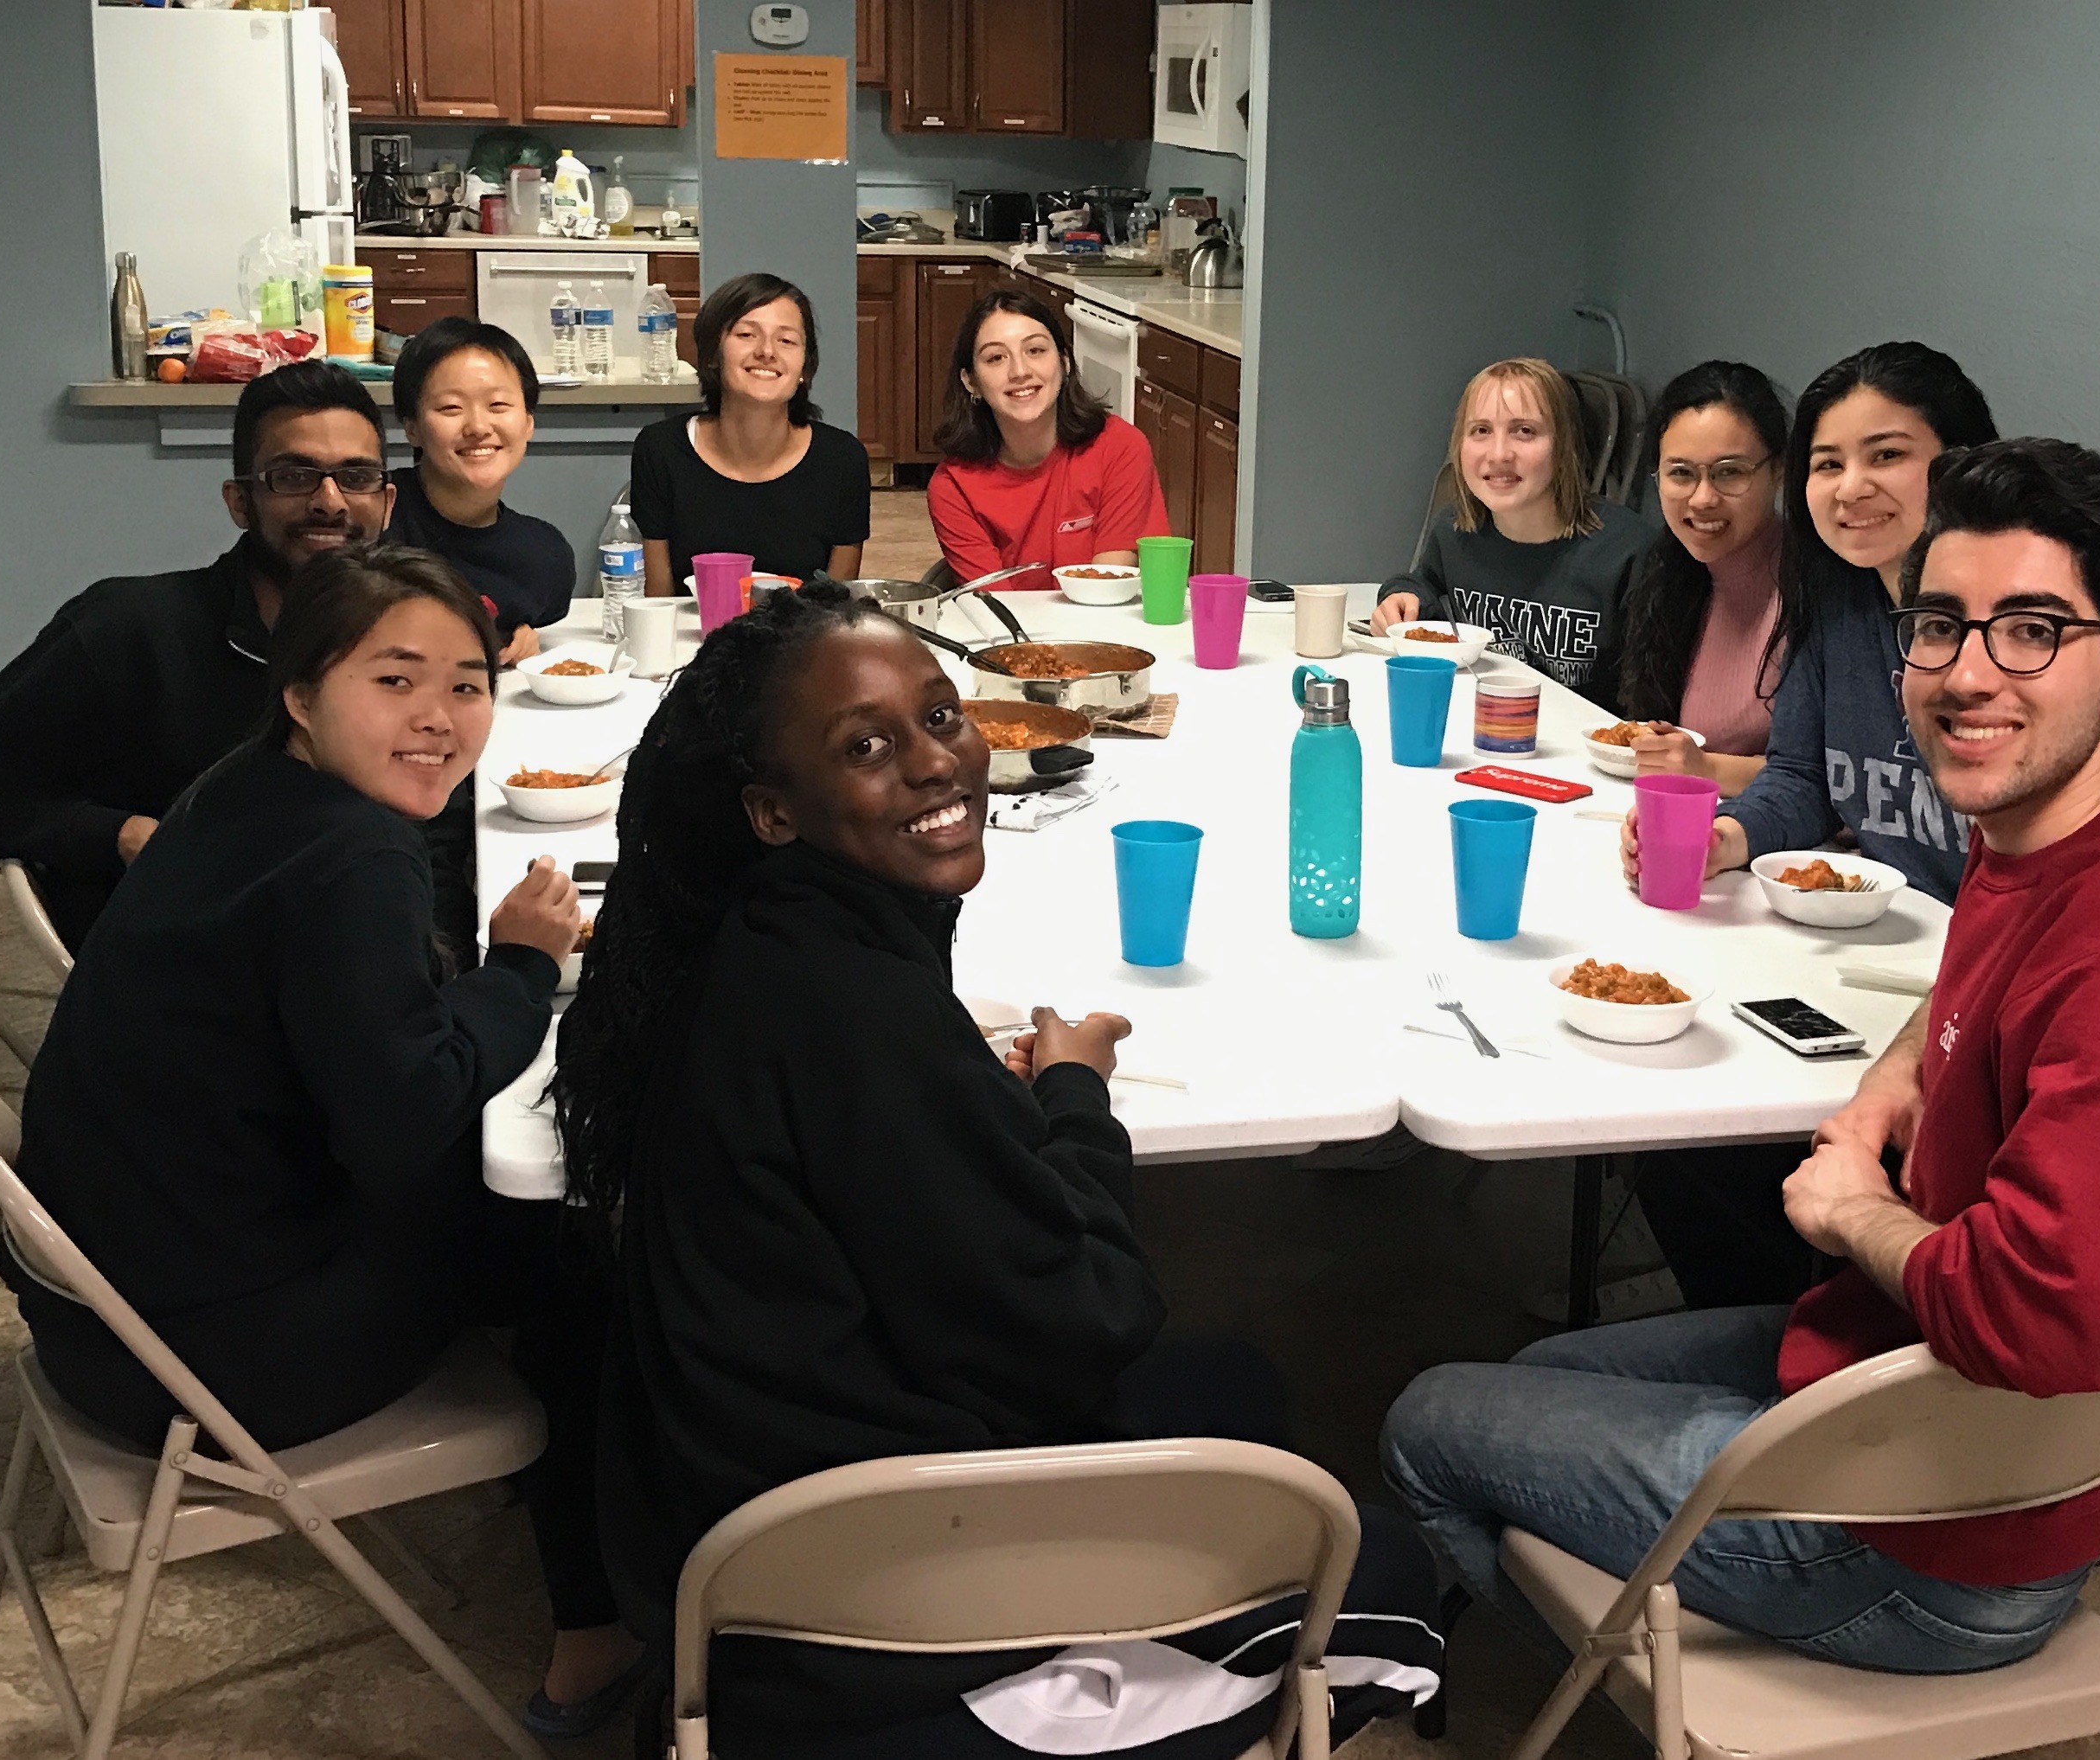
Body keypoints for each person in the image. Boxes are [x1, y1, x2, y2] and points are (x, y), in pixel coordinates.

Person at [1386, 437, 2100, 1679]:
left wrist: (1853, 1214)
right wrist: (1892, 1079)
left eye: (2029, 631)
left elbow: (2047, 1321)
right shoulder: (2091, 824)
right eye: (1941, 623)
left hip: (1938, 1540)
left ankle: (1696, 1671)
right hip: (1915, 1385)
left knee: (1428, 1420)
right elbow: (1981, 966)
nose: (1966, 672)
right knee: (1539, 1371)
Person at [552, 584, 1437, 1757]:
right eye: (866, 745)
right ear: (772, 808)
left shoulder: (763, 948)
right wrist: (1073, 1093)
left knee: (1239, 1388)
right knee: (1389, 1573)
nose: (935, 762)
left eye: (938, 714)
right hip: (851, 1635)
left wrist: (974, 1087)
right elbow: (1087, 1311)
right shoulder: (858, 1015)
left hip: (749, 1516)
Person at [3, 545, 643, 1736]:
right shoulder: (354, 856)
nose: (440, 717)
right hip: (205, 1366)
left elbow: (358, 1045)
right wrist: (521, 965)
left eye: (465, 682)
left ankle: (555, 1525)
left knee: (508, 1202)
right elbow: (405, 1110)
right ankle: (593, 1643)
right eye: (394, 679)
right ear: (302, 690)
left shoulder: (248, 786)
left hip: (93, 1311)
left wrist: (462, 988)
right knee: (590, 1255)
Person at [1625, 340, 2100, 902]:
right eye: (1826, 464)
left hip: (2029, 955)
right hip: (1893, 934)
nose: (1850, 488)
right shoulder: (1835, 603)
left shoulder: (2076, 630)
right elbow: (1802, 775)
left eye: (1886, 454)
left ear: (1961, 462)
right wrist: (1725, 837)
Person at [0, 362, 400, 949]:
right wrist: (120, 833)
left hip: (352, 922)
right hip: (189, 969)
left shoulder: (394, 640)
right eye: (292, 475)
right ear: (240, 501)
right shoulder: (131, 630)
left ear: (387, 502)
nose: (329, 500)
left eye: (356, 476)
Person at [1372, 357, 1650, 707]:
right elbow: (1425, 584)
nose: (1499, 454)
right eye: (1481, 431)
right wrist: (1402, 596)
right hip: (1484, 729)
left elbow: (1652, 699)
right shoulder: (1455, 530)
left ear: (1564, 446)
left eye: (1525, 431)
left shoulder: (1629, 551)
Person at [630, 272, 868, 595]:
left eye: (786, 340)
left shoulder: (842, 460)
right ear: (713, 355)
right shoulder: (660, 450)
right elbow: (659, 605)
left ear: (805, 368)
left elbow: (835, 609)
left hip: (803, 641)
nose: (767, 351)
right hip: (694, 639)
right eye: (746, 334)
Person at [1615, 362, 1789, 797]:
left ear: (1779, 471)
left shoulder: (1817, 590)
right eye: (1681, 473)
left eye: (1730, 472)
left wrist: (1706, 768)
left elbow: (1832, 781)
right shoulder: (1667, 571)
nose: (1703, 498)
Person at [926, 286, 1170, 583]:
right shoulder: (953, 487)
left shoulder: (1120, 448)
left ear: (1065, 362)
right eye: (996, 358)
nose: (1020, 371)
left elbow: (1107, 590)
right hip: (1011, 628)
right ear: (971, 381)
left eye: (1035, 350)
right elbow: (997, 610)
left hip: (1100, 625)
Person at [387, 317, 576, 664]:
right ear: (411, 427)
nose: (477, 427)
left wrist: (521, 637)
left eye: (498, 406)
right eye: (451, 408)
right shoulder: (373, 516)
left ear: (529, 422)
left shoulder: (545, 559)